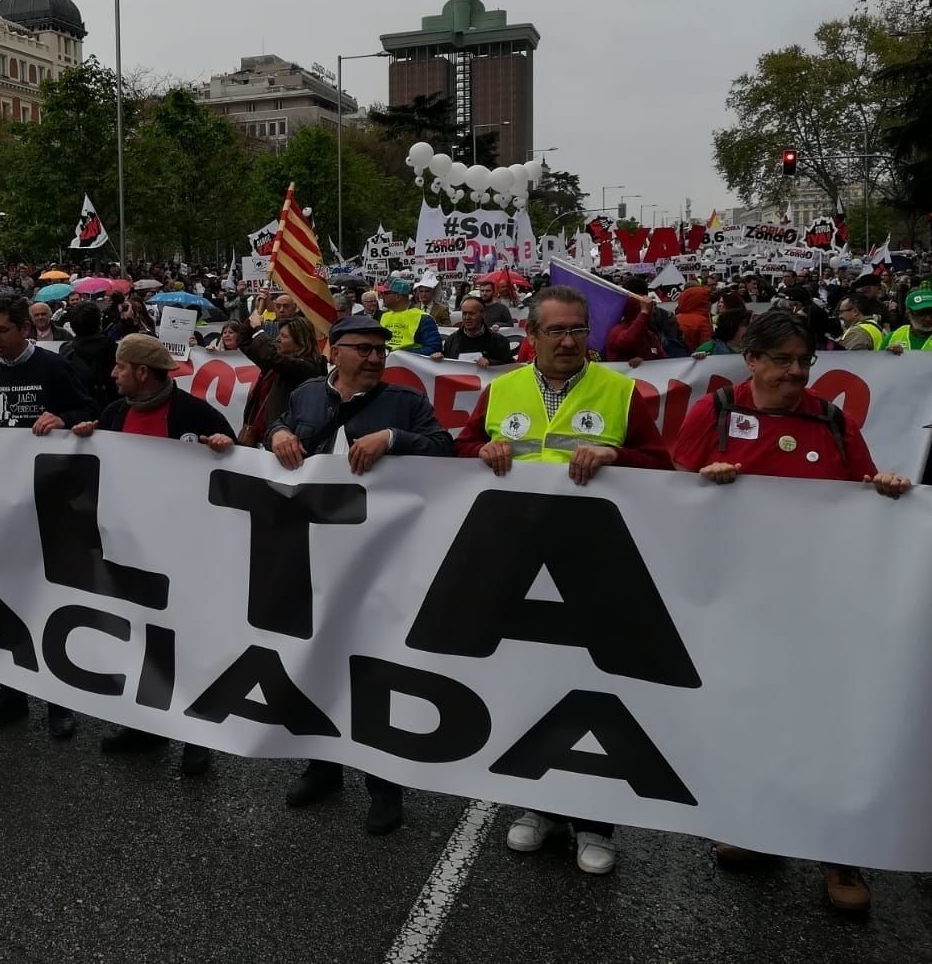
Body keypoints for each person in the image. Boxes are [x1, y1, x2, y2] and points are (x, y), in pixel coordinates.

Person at [672, 309, 910, 914]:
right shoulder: (716, 413)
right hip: (742, 605)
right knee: (754, 718)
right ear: (751, 359)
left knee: (827, 728)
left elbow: (863, 488)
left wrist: (885, 491)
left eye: (804, 360)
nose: (795, 371)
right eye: (782, 359)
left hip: (823, 607)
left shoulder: (832, 419)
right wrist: (704, 482)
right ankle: (760, 831)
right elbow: (670, 496)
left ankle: (840, 857)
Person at [455, 284, 672, 876]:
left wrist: (616, 457)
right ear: (531, 336)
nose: (570, 340)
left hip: (596, 566)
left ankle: (596, 820)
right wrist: (484, 448)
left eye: (578, 329)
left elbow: (664, 466)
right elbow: (464, 448)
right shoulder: (503, 390)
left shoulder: (622, 392)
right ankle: (534, 806)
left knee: (598, 693)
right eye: (556, 330)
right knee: (527, 687)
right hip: (516, 565)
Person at [267, 314, 455, 835]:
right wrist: (281, 432)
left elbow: (445, 449)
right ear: (334, 351)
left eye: (381, 350)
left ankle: (383, 784)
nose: (375, 358)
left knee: (374, 673)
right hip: (310, 557)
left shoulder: (406, 404)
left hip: (379, 562)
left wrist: (392, 438)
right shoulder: (306, 395)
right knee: (315, 662)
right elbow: (272, 428)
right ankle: (323, 769)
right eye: (364, 349)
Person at [70, 334, 235, 776]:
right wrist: (83, 438)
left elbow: (237, 475)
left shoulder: (195, 414)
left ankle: (197, 736)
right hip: (131, 549)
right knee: (141, 639)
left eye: (120, 367)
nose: (113, 374)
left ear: (141, 372)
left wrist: (224, 448)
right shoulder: (113, 414)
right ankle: (146, 726)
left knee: (188, 644)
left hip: (185, 553)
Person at [0, 295, 97, 738]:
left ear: (25, 329)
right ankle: (9, 693)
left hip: (49, 500)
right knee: (2, 597)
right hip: (4, 500)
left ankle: (59, 701)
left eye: (2, 331)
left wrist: (63, 418)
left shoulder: (52, 366)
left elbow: (90, 412)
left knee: (47, 598)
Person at [238, 315, 326, 447]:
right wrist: (251, 319)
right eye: (279, 334)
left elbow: (271, 355)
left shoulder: (308, 367)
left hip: (283, 443)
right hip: (258, 439)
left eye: (284, 336)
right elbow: (245, 343)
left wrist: (258, 329)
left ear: (300, 342)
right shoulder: (277, 361)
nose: (278, 339)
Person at [438, 295, 514, 365]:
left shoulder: (499, 341)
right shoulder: (452, 340)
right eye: (464, 313)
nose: (467, 317)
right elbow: (447, 365)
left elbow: (509, 366)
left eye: (471, 313)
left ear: (483, 314)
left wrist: (490, 362)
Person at [379, 281, 442, 354]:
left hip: (406, 364)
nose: (381, 296)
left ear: (398, 297)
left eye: (385, 293)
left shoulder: (423, 318)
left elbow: (434, 348)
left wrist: (399, 354)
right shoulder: (384, 316)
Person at [882, 286, 932, 352]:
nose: (928, 319)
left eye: (931, 312)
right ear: (908, 314)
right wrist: (886, 356)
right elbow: (878, 361)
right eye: (921, 313)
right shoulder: (892, 338)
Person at [674, 285, 714, 352]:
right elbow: (707, 346)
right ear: (702, 301)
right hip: (696, 358)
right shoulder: (702, 321)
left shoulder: (676, 318)